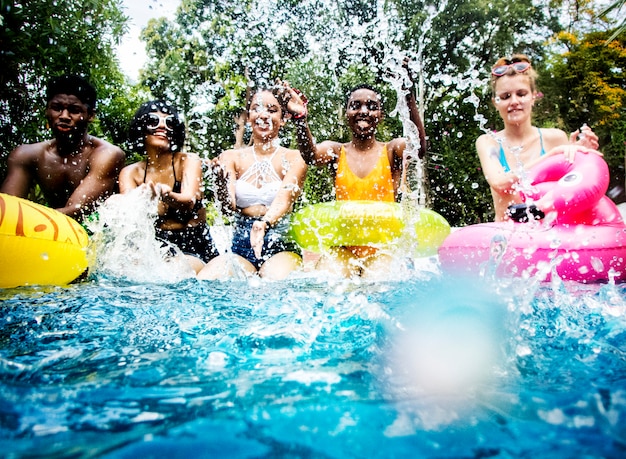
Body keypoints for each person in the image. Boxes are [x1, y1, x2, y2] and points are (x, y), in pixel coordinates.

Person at [282, 79, 427, 278]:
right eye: (355, 106)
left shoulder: (392, 150)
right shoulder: (336, 151)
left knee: (377, 281)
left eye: (372, 106)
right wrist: (300, 118)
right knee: (329, 280)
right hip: (344, 248)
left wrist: (408, 95)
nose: (364, 111)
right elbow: (311, 155)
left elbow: (418, 147)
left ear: (381, 116)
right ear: (346, 114)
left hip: (383, 248)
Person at [197, 87, 307, 281]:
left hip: (279, 240)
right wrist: (220, 186)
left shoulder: (294, 157)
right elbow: (227, 207)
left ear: (282, 119)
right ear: (249, 118)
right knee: (207, 279)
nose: (263, 115)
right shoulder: (231, 157)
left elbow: (285, 199)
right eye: (257, 109)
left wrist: (264, 223)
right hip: (241, 243)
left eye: (272, 110)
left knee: (275, 282)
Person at [475, 54, 600, 222]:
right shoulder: (488, 142)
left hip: (549, 238)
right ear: (495, 102)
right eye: (505, 97)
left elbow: (572, 193)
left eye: (521, 94)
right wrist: (553, 155)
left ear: (533, 96)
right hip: (508, 238)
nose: (514, 101)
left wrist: (581, 157)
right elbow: (500, 184)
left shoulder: (555, 138)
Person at [1, 74, 125, 222]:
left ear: (90, 115)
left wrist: (26, 219)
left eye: (74, 110)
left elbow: (77, 211)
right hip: (46, 223)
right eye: (57, 108)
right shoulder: (26, 155)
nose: (64, 116)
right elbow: (7, 207)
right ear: (47, 111)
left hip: (92, 228)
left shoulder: (107, 154)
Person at [118, 100, 218, 274]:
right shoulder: (130, 173)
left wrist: (166, 194)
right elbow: (129, 217)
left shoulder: (188, 161)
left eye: (169, 122)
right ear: (141, 128)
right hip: (155, 245)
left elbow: (189, 201)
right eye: (153, 121)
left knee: (174, 271)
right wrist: (138, 199)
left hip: (193, 245)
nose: (162, 127)